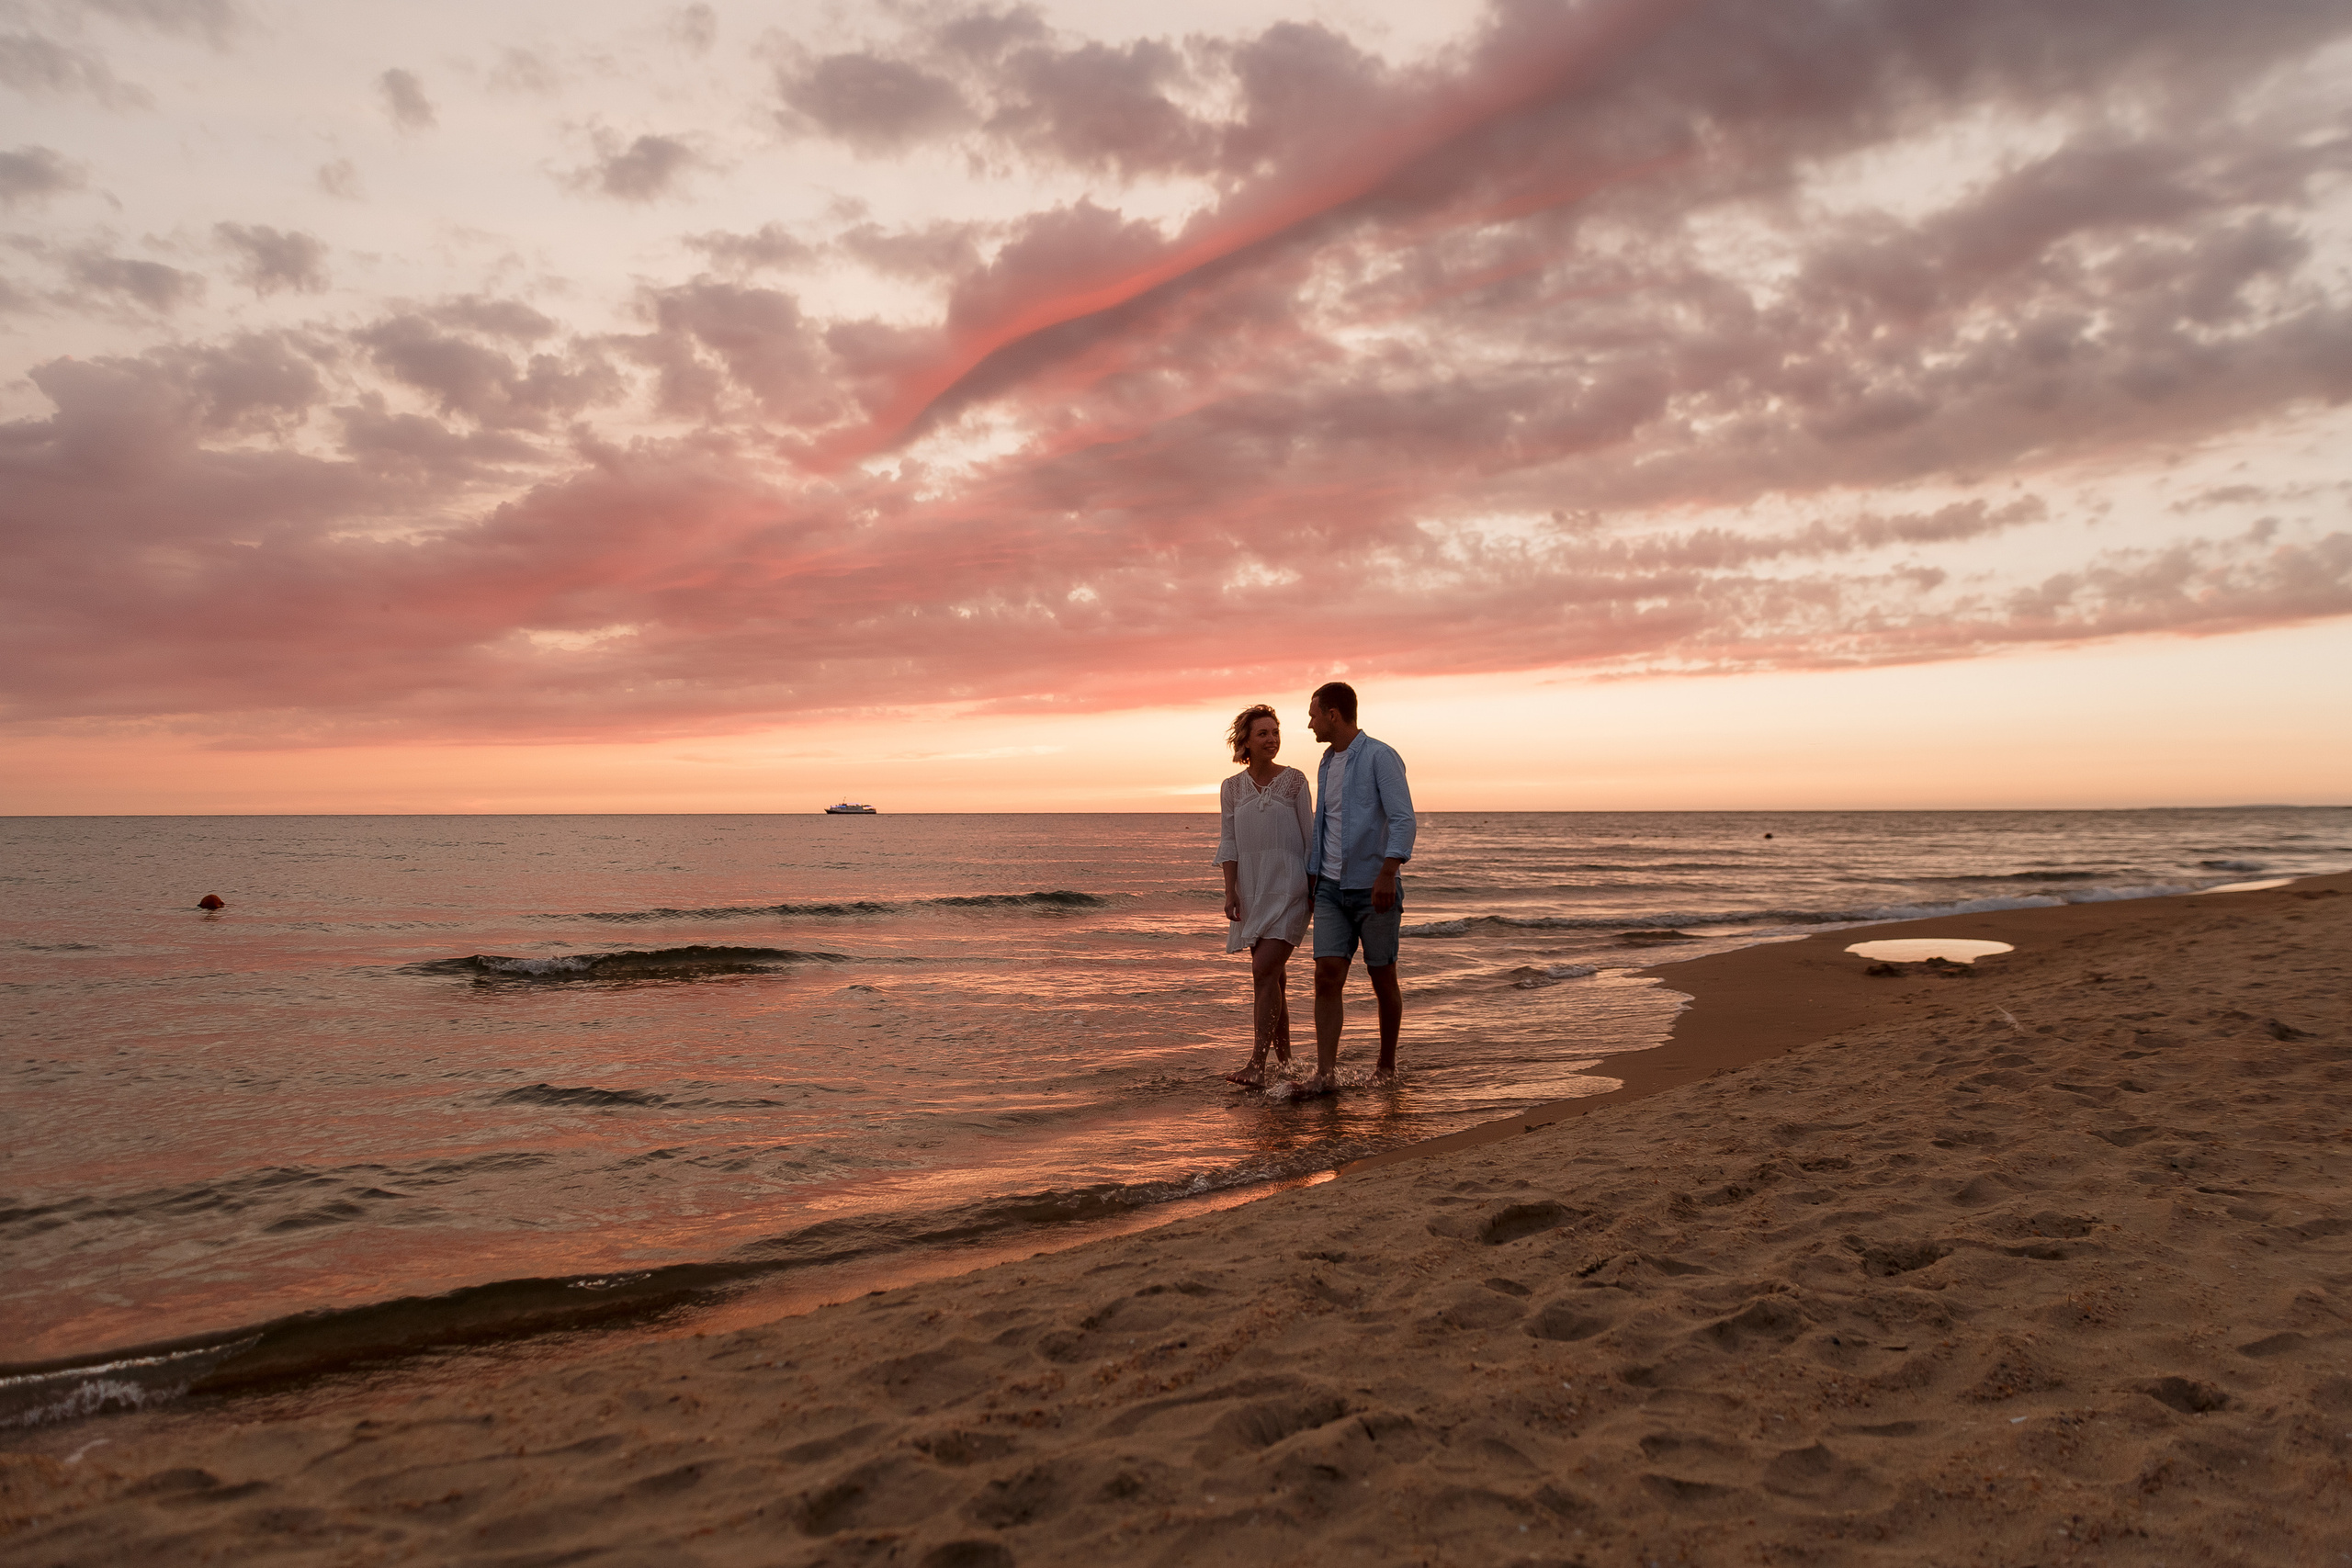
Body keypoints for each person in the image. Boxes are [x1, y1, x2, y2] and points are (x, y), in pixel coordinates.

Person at [1299, 681, 1415, 1096]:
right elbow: (1322, 824)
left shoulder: (1381, 756)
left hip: (1373, 887)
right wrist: (1313, 880)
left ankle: (1386, 1066)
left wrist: (1388, 873)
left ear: (1333, 714)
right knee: (1326, 975)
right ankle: (1324, 1073)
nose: (1309, 723)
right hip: (1330, 888)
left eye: (1313, 714)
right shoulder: (1326, 763)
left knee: (1382, 976)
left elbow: (1403, 819)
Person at [1212, 703, 1314, 1087]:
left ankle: (1257, 1064)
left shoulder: (1294, 781)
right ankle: (1285, 1064)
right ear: (1246, 742)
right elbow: (1229, 842)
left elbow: (1310, 838)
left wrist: (1314, 889)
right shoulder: (1231, 788)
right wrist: (1230, 892)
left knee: (1263, 971)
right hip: (1252, 891)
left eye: (1275, 732)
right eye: (1263, 734)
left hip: (1290, 887)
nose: (1273, 740)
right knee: (1274, 979)